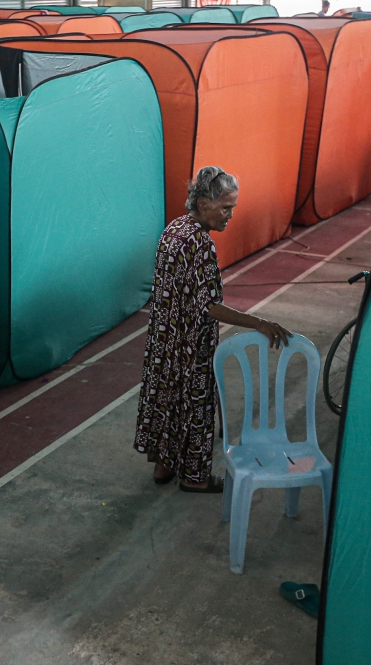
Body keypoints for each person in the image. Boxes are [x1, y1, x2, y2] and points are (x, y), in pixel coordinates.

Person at [133, 166, 291, 493]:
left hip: (164, 342)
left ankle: (164, 467)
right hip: (191, 345)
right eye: (225, 207)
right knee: (195, 408)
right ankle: (195, 478)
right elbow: (208, 306)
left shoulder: (174, 230)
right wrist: (260, 323)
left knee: (167, 404)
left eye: (232, 207)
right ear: (203, 203)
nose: (230, 215)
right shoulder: (200, 243)